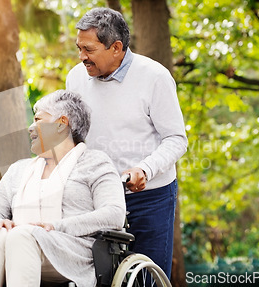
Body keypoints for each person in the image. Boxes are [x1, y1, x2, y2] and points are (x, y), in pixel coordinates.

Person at [66, 7, 188, 279]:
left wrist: (144, 169)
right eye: (79, 48)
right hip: (97, 196)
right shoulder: (76, 78)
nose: (81, 57)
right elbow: (73, 138)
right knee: (97, 277)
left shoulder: (154, 77)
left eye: (88, 49)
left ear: (116, 47)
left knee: (147, 278)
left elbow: (176, 139)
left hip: (150, 197)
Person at [0, 90, 126, 287]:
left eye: (38, 119)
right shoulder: (19, 169)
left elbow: (114, 213)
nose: (30, 127)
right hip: (19, 243)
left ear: (61, 124)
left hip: (73, 252)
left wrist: (56, 226)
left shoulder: (95, 163)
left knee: (21, 235)